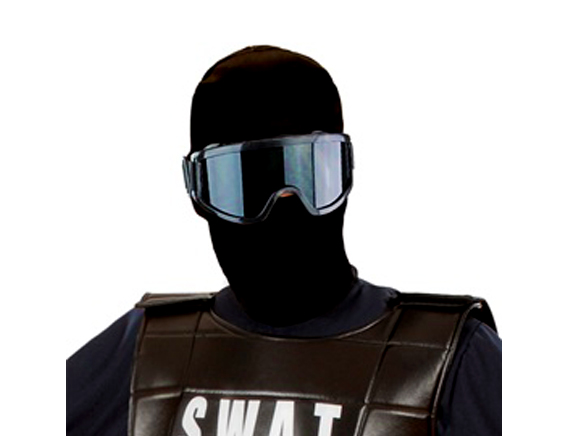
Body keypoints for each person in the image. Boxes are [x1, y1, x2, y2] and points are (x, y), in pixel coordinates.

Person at [67, 45, 501, 436]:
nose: (285, 204)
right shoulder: (145, 354)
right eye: (248, 182)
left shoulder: (452, 360)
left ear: (345, 172)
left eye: (309, 170)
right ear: (198, 191)